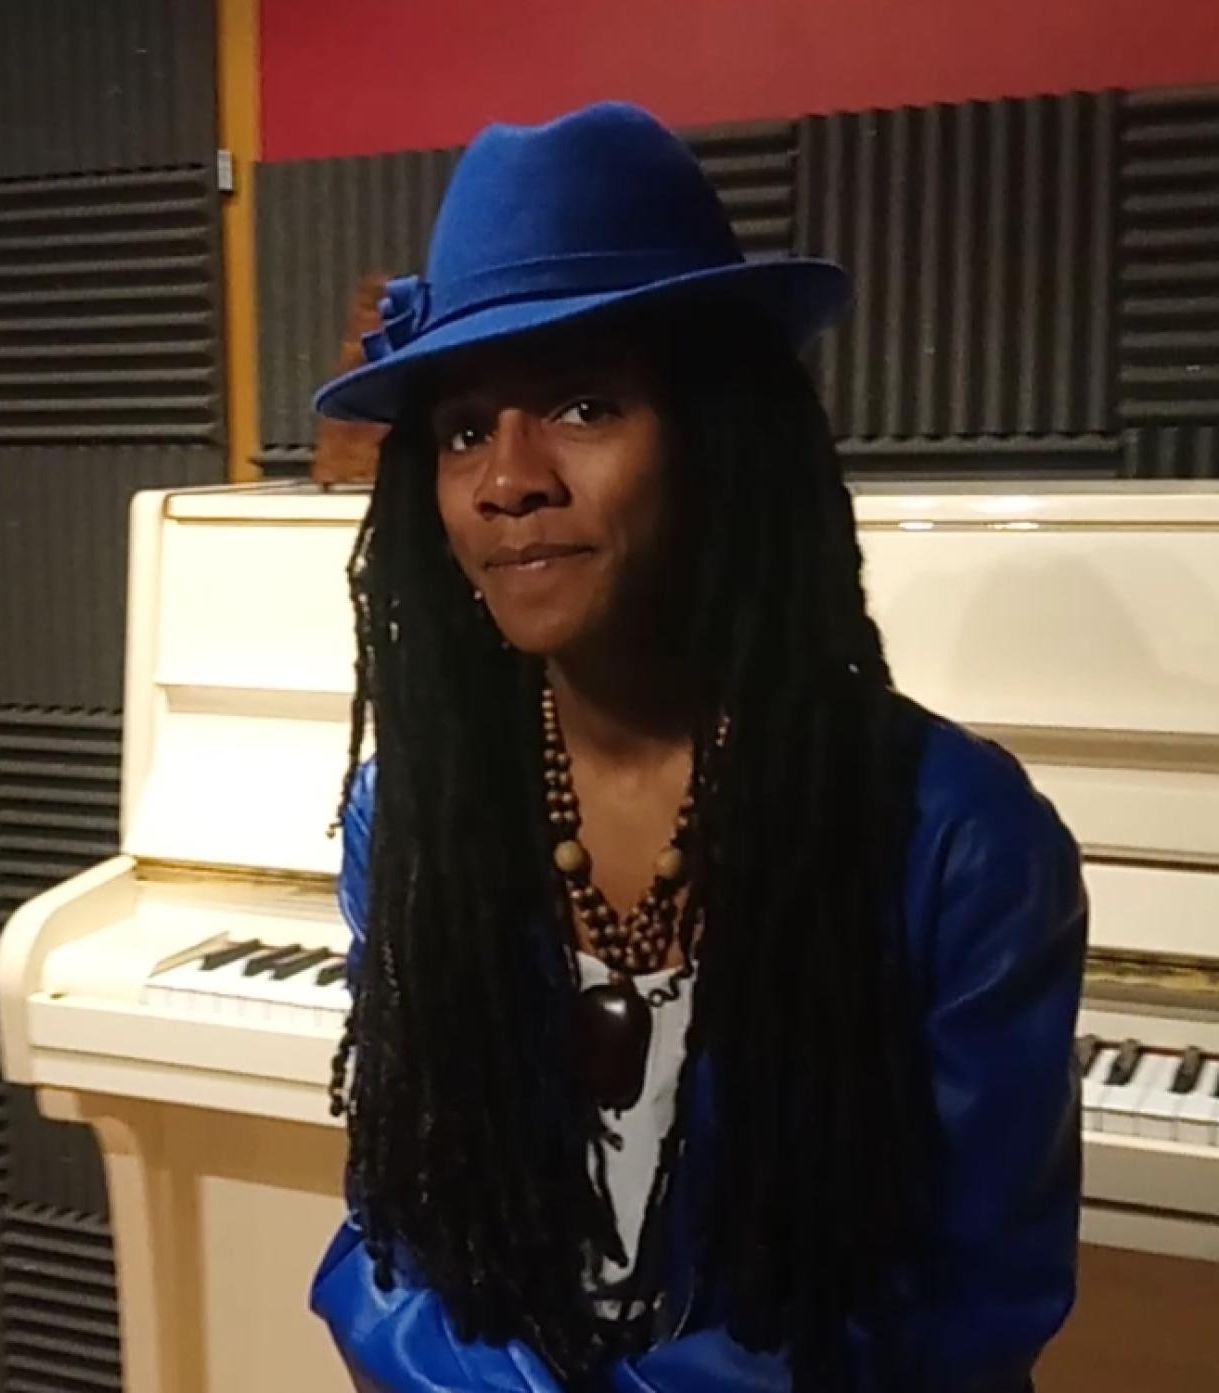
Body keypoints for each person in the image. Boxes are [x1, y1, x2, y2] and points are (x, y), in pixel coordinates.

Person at [308, 102, 1087, 1393]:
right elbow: (394, 1233)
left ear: (720, 437)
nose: (507, 479)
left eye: (582, 403)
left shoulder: (954, 833)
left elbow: (967, 1304)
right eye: (463, 428)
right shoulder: (414, 816)